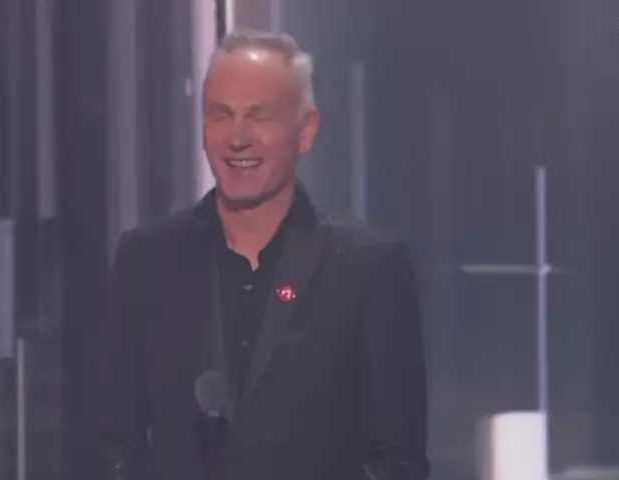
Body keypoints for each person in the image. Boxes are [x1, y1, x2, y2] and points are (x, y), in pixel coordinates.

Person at [100, 28, 429, 480]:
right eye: (221, 115)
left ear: (306, 129)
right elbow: (116, 443)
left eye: (260, 116)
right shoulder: (147, 262)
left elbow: (397, 462)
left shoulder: (368, 268)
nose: (238, 138)